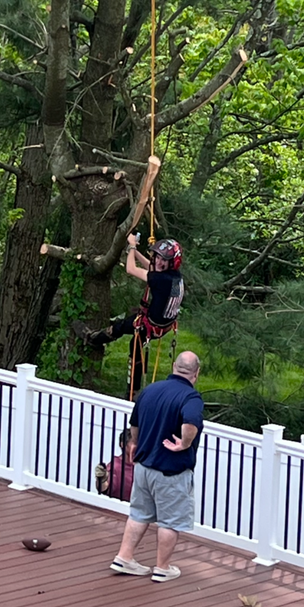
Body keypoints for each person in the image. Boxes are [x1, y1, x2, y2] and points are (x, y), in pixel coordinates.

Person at [110, 351, 203, 582]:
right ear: (196, 373)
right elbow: (191, 423)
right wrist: (185, 443)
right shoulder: (191, 398)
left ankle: (124, 557)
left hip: (144, 466)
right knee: (170, 521)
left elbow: (135, 424)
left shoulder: (150, 390)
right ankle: (162, 567)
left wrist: (135, 443)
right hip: (170, 470)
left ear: (174, 367)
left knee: (139, 513)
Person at [73, 235, 184, 398]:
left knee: (122, 327)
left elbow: (130, 269)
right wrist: (136, 252)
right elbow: (152, 267)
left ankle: (92, 338)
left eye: (163, 260)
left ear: (172, 263)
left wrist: (131, 247)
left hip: (151, 325)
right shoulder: (174, 276)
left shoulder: (161, 280)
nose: (159, 262)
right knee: (135, 345)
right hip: (163, 324)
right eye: (158, 258)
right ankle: (134, 389)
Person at [95, 429, 134, 501]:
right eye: (134, 442)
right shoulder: (115, 466)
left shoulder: (143, 465)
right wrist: (101, 479)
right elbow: (104, 489)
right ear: (123, 445)